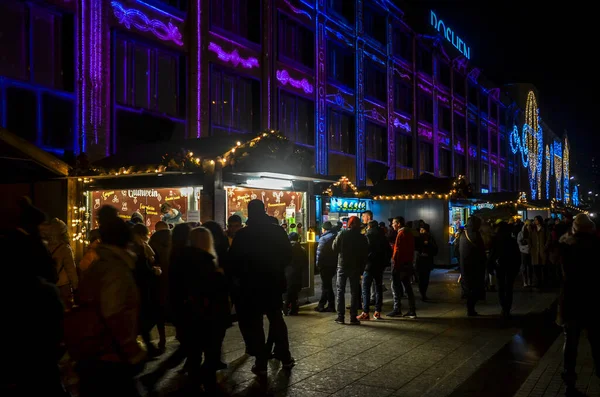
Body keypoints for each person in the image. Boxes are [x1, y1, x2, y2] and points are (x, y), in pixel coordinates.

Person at [70, 217, 146, 397]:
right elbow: (113, 313)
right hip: (108, 353)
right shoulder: (115, 268)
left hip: (95, 350)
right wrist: (131, 350)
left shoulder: (99, 263)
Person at [227, 199, 294, 375]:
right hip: (273, 282)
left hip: (250, 285)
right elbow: (288, 256)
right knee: (276, 319)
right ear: (264, 210)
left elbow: (233, 261)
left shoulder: (243, 235)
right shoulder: (277, 231)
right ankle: (285, 356)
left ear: (249, 213)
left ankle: (261, 362)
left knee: (254, 324)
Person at [169, 227, 230, 390]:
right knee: (211, 352)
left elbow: (175, 287)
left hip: (187, 313)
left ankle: (194, 382)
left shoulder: (179, 258)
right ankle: (208, 383)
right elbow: (214, 289)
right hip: (207, 314)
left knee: (193, 353)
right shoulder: (207, 261)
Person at [557, 214, 600, 396]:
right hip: (594, 300)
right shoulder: (597, 246)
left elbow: (560, 272)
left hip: (571, 299)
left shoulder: (566, 247)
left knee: (571, 343)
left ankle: (569, 383)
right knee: (598, 343)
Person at [332, 216, 368, 325]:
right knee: (354, 292)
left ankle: (340, 317)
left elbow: (334, 247)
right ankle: (353, 317)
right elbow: (365, 254)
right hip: (355, 267)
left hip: (342, 265)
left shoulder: (342, 234)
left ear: (349, 224)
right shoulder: (362, 237)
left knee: (340, 291)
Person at [40, 217, 79, 311]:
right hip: (63, 286)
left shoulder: (44, 247)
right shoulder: (65, 248)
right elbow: (71, 270)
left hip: (49, 284)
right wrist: (76, 287)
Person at [357, 220, 390, 321]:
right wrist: (384, 264)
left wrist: (362, 266)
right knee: (378, 289)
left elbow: (363, 252)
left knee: (365, 289)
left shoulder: (367, 236)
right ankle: (377, 312)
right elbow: (389, 251)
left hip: (369, 266)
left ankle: (365, 312)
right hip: (379, 267)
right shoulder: (383, 237)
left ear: (369, 227)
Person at [488, 221, 521, 318]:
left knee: (501, 287)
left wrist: (490, 266)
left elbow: (492, 254)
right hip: (510, 266)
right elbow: (517, 255)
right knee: (509, 288)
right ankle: (507, 308)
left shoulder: (496, 240)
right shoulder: (511, 240)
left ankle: (504, 306)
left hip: (500, 266)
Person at [388, 216, 417, 318]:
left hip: (400, 265)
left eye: (393, 223)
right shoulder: (409, 233)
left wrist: (395, 263)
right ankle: (412, 310)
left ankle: (397, 309)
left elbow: (398, 251)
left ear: (399, 223)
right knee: (407, 287)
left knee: (395, 286)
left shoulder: (401, 234)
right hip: (408, 263)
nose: (392, 225)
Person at [458, 216, 487, 316]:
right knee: (475, 287)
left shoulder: (463, 234)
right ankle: (471, 309)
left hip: (464, 265)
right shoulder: (476, 235)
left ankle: (470, 308)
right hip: (475, 266)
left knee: (468, 286)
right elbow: (481, 250)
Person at [314, 221, 338, 312]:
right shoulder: (335, 236)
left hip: (325, 264)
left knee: (327, 286)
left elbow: (319, 253)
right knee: (326, 285)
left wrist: (317, 264)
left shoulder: (323, 239)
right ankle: (321, 304)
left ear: (324, 229)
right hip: (333, 264)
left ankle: (331, 305)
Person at [285, 232, 307, 315]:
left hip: (288, 272)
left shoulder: (286, 248)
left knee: (289, 290)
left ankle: (286, 307)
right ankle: (294, 308)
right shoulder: (302, 248)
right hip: (298, 273)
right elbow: (305, 262)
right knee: (295, 291)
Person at [416, 223, 437, 302]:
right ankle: (423, 293)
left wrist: (428, 244)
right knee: (422, 278)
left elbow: (435, 249)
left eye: (423, 229)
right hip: (421, 261)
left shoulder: (430, 238)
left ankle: (423, 293)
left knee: (424, 278)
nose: (421, 231)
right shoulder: (419, 238)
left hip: (425, 261)